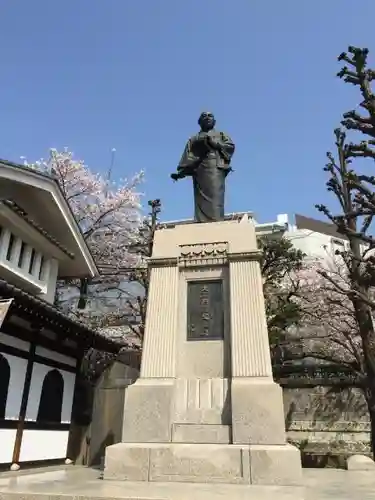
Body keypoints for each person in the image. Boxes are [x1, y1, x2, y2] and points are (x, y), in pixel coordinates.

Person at [171, 111, 235, 223]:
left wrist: (216, 144)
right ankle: (201, 221)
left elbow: (230, 147)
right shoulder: (194, 138)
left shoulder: (221, 134)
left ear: (214, 121)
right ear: (199, 122)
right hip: (199, 170)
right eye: (204, 116)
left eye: (210, 116)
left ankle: (216, 221)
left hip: (215, 167)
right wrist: (181, 172)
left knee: (216, 196)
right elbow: (189, 157)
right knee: (200, 199)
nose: (207, 117)